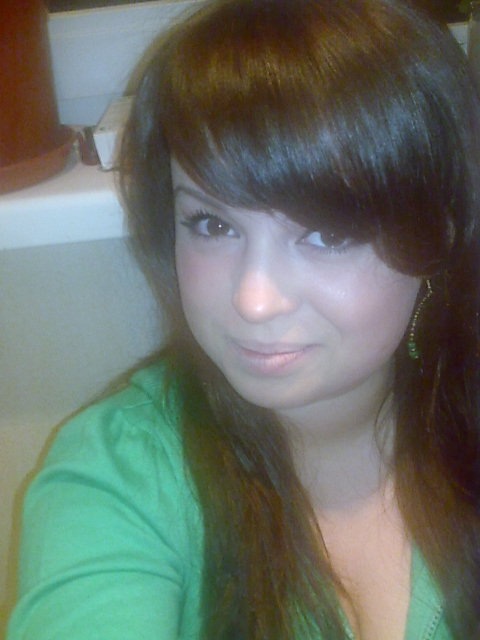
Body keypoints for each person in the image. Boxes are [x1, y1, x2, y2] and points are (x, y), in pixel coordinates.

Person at [7, 0, 480, 638]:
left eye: (327, 234)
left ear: (437, 237)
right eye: (212, 224)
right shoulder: (120, 472)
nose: (254, 301)